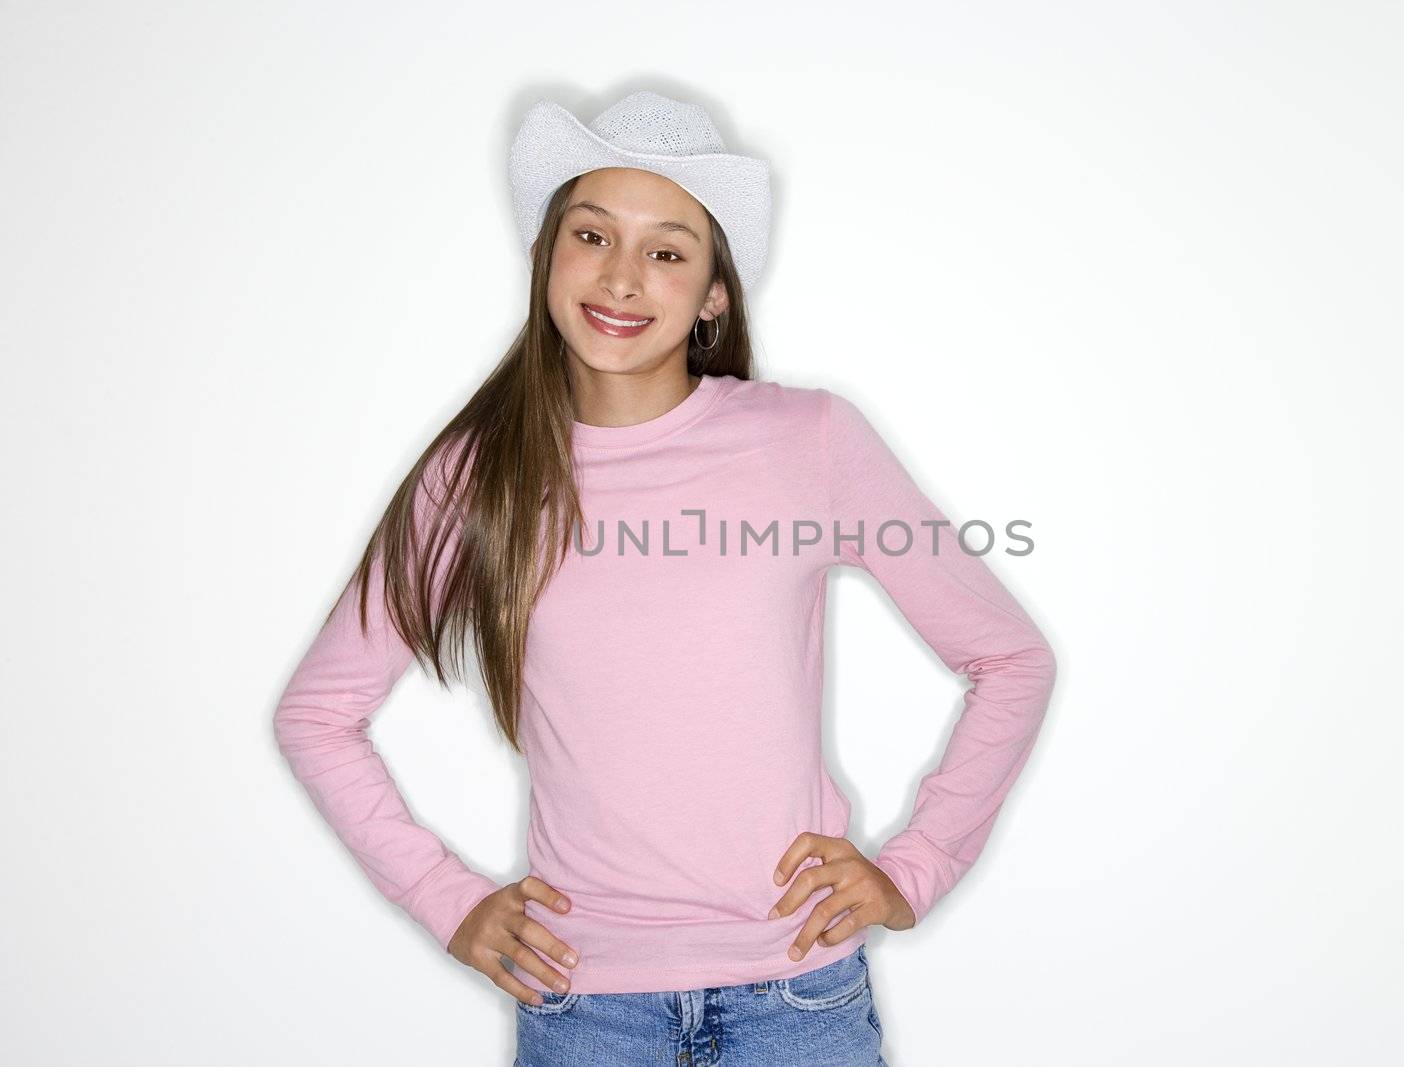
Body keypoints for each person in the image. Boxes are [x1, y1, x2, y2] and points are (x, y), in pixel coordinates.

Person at [272, 89, 1057, 1067]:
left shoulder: (806, 440)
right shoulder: (475, 473)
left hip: (795, 995)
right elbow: (317, 709)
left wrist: (915, 866)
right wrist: (449, 901)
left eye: (668, 250)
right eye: (592, 234)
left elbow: (1008, 655)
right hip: (581, 1007)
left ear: (712, 294)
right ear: (544, 257)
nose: (622, 277)